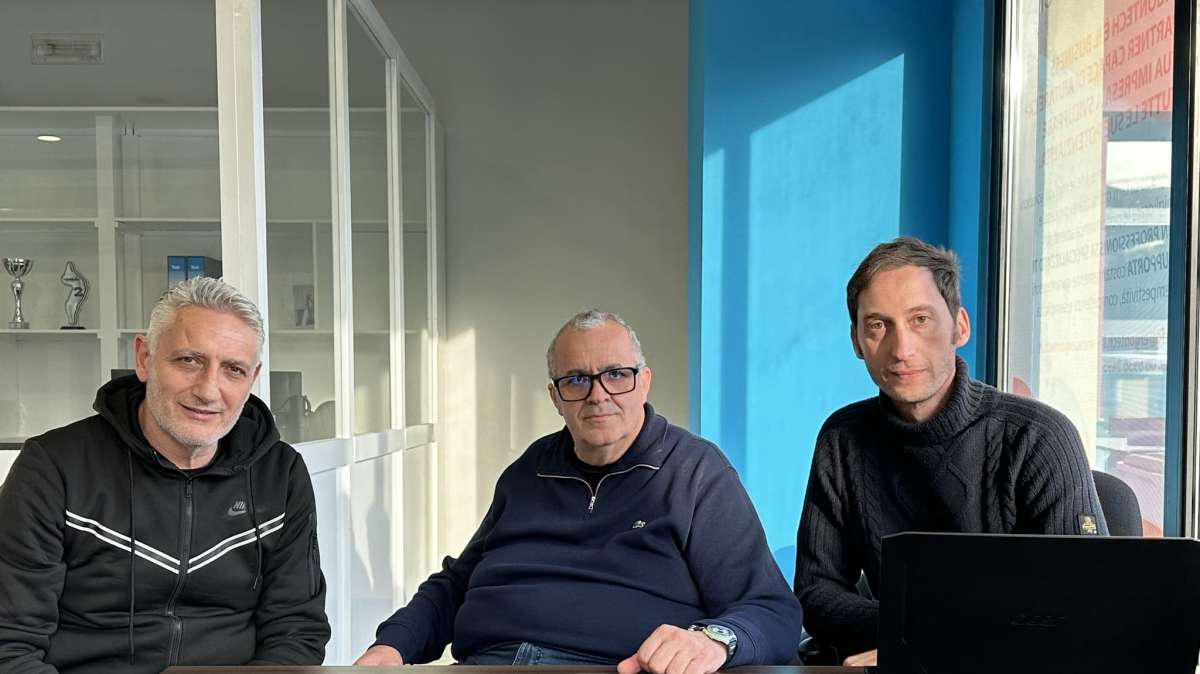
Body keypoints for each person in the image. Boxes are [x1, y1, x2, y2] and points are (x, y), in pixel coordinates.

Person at [357, 309, 802, 673]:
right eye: (576, 380)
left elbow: (771, 609)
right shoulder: (528, 471)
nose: (598, 395)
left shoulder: (696, 472)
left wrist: (714, 641)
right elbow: (457, 583)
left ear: (644, 381)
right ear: (555, 397)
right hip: (487, 663)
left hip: (613, 668)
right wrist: (391, 646)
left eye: (616, 375)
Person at [794, 237, 1108, 667]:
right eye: (878, 325)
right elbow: (816, 594)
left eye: (920, 319)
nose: (901, 349)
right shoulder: (843, 438)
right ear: (856, 342)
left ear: (960, 327)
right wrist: (921, 638)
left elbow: (1085, 603)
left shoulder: (1038, 436)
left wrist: (936, 639)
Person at [0, 277, 330, 673]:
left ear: (252, 378)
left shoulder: (280, 474)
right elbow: (10, 643)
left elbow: (296, 631)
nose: (208, 390)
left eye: (233, 369)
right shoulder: (54, 467)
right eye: (189, 360)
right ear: (144, 358)